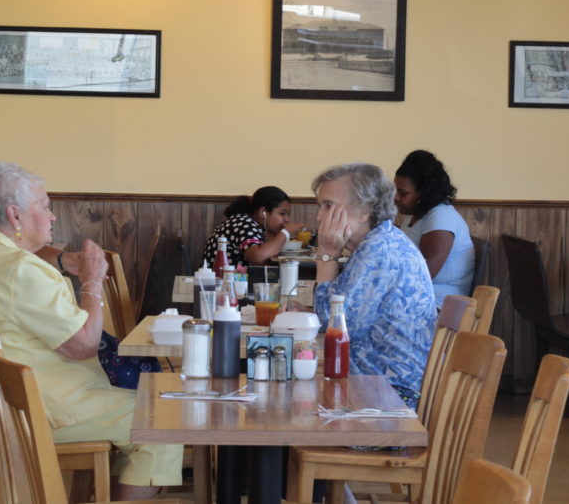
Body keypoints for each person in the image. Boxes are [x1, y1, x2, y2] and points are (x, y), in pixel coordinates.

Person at [0, 162, 182, 500]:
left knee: (152, 409)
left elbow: (22, 258)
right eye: (44, 206)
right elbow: (84, 345)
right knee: (165, 419)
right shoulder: (21, 272)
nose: (52, 215)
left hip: (11, 402)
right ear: (15, 216)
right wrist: (91, 282)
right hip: (48, 409)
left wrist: (63, 261)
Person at [312, 162, 437, 407]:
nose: (319, 217)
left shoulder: (379, 252)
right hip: (373, 389)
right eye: (320, 206)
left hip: (387, 404)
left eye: (328, 206)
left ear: (364, 211)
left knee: (282, 402)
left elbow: (331, 326)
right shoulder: (380, 241)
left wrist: (327, 254)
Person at [394, 150, 475, 309]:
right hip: (420, 300)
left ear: (423, 192)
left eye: (403, 193)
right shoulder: (415, 215)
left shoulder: (441, 218)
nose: (396, 198)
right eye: (396, 191)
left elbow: (423, 275)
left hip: (440, 307)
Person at [202, 186, 304, 270]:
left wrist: (276, 235)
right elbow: (258, 257)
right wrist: (286, 232)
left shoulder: (252, 224)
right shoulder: (243, 222)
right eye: (282, 213)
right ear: (262, 212)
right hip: (220, 287)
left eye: (288, 215)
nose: (287, 219)